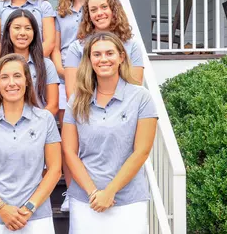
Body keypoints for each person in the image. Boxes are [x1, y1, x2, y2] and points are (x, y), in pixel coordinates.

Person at [61, 33, 158, 234]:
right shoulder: (76, 101)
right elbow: (69, 151)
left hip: (128, 201)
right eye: (96, 54)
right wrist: (94, 193)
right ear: (89, 60)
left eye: (109, 53)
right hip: (86, 200)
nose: (103, 59)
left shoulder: (141, 98)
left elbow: (141, 152)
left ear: (121, 57)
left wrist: (110, 192)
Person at [0, 54, 62, 234]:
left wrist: (29, 208)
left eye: (17, 76)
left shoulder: (45, 119)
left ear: (27, 81)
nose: (11, 83)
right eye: (4, 77)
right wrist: (1, 208)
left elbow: (55, 169)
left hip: (35, 219)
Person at [50, 0, 98, 212]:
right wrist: (64, 70)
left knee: (89, 137)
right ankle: (70, 189)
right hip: (63, 79)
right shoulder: (61, 12)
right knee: (68, 139)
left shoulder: (97, 7)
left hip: (94, 78)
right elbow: (56, 48)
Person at [64, 0, 145, 102]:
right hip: (87, 111)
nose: (99, 13)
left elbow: (136, 88)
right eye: (93, 10)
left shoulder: (132, 47)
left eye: (104, 7)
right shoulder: (76, 48)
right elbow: (72, 94)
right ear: (88, 16)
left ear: (114, 10)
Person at [0, 9, 59, 116]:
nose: (22, 33)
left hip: (38, 126)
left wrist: (35, 123)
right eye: (17, 28)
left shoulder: (46, 65)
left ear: (34, 33)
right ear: (8, 31)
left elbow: (53, 105)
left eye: (28, 28)